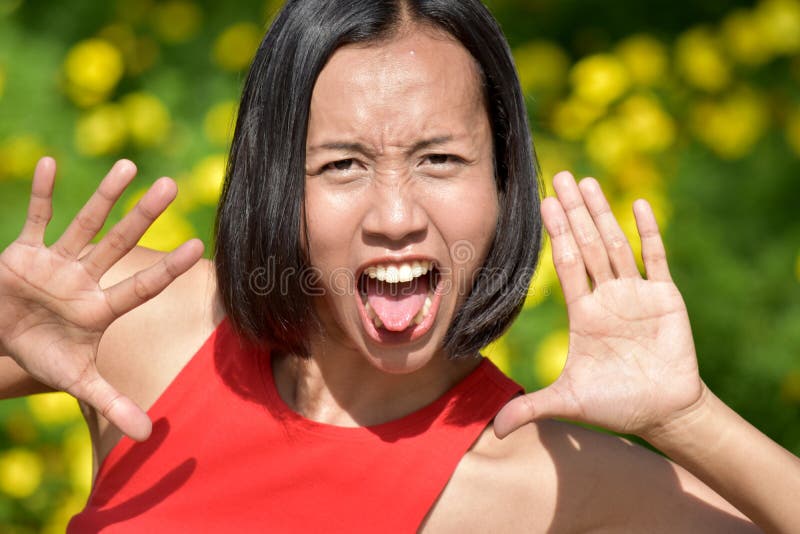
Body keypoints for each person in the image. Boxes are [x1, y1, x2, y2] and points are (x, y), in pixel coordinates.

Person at [1, 0, 798, 531]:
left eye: (441, 159)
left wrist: (688, 419)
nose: (395, 218)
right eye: (342, 165)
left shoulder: (547, 480)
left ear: (503, 181)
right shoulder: (143, 324)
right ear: (274, 180)